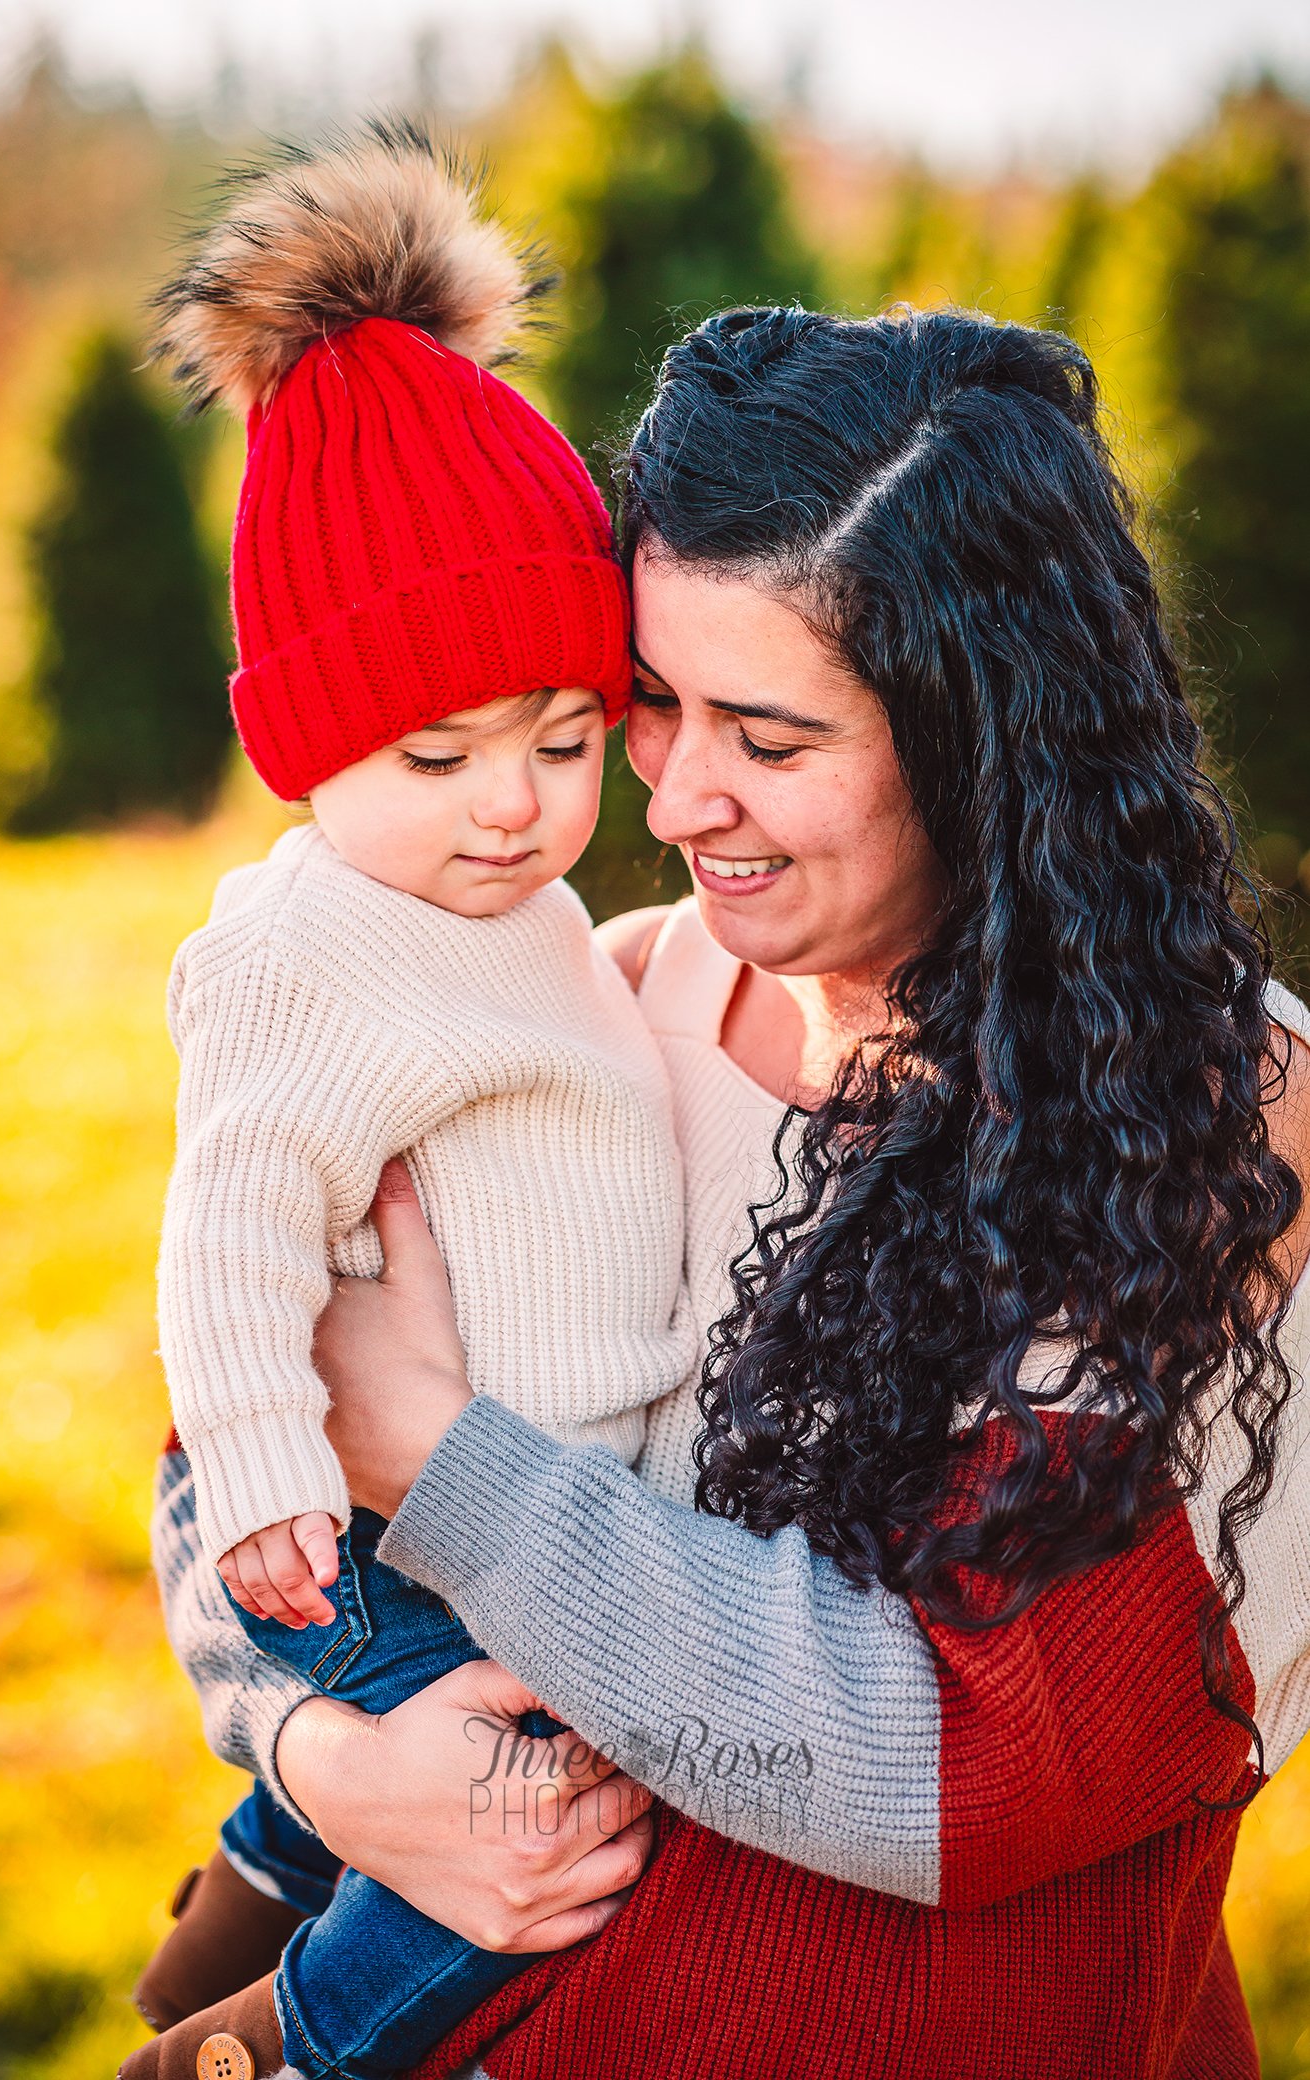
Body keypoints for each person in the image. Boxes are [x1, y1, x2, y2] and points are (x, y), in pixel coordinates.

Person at [144, 302, 1310, 2079]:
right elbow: (216, 1460)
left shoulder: (1219, 1139)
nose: (679, 795)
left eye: (768, 735)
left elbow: (950, 1766)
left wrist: (441, 1460)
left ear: (986, 735)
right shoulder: (613, 996)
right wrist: (330, 1767)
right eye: (650, 702)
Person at [124, 125, 694, 2080]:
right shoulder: (322, 943)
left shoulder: (522, 911)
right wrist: (273, 1461)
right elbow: (234, 1212)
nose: (516, 803)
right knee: (516, 1836)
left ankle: (235, 1897)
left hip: (512, 1501)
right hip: (383, 1538)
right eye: (439, 751)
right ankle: (283, 2041)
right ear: (301, 745)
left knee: (433, 1765)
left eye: (560, 735)